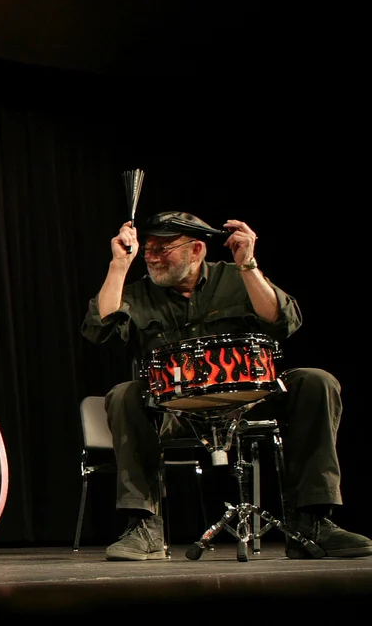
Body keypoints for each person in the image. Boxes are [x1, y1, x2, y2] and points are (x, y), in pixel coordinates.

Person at [81, 210, 372, 561]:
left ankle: (311, 523)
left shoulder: (236, 277)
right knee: (124, 394)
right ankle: (144, 526)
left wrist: (248, 264)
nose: (152, 256)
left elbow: (284, 321)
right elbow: (98, 328)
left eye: (163, 248)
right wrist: (119, 265)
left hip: (248, 400)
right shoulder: (138, 293)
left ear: (196, 250)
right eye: (149, 249)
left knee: (315, 381)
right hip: (175, 411)